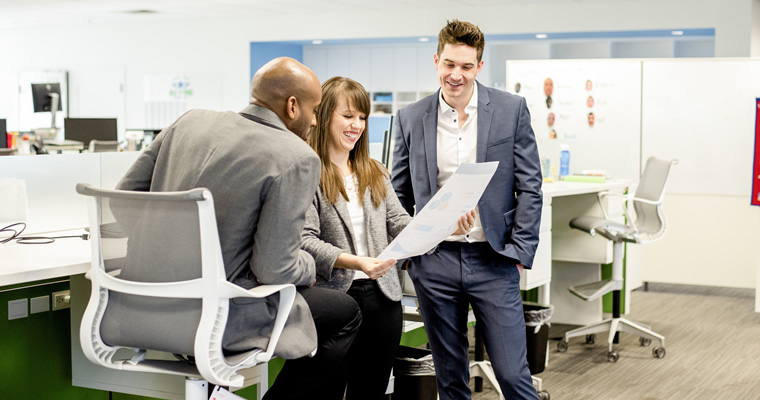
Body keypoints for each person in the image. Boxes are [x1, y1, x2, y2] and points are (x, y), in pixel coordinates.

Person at [116, 57, 361, 400]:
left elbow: (122, 201)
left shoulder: (189, 121)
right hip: (217, 316)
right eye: (314, 109)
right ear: (292, 106)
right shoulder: (296, 155)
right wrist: (308, 268)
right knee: (345, 312)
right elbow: (274, 269)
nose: (315, 120)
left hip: (137, 308)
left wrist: (167, 244)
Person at [391, 20, 543, 400]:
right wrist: (410, 256)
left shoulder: (510, 110)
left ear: (479, 66)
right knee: (450, 378)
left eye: (466, 66)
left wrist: (520, 252)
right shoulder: (411, 117)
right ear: (436, 61)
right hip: (435, 261)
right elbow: (397, 194)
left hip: (493, 258)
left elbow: (530, 185)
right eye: (448, 64)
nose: (455, 75)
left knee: (512, 375)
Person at [302, 76, 476, 399]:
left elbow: (399, 223)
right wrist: (356, 262)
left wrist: (445, 227)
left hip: (383, 298)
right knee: (326, 391)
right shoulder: (308, 173)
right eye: (348, 115)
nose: (357, 125)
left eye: (362, 117)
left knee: (371, 391)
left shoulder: (374, 171)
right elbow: (306, 242)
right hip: (336, 299)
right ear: (325, 115)